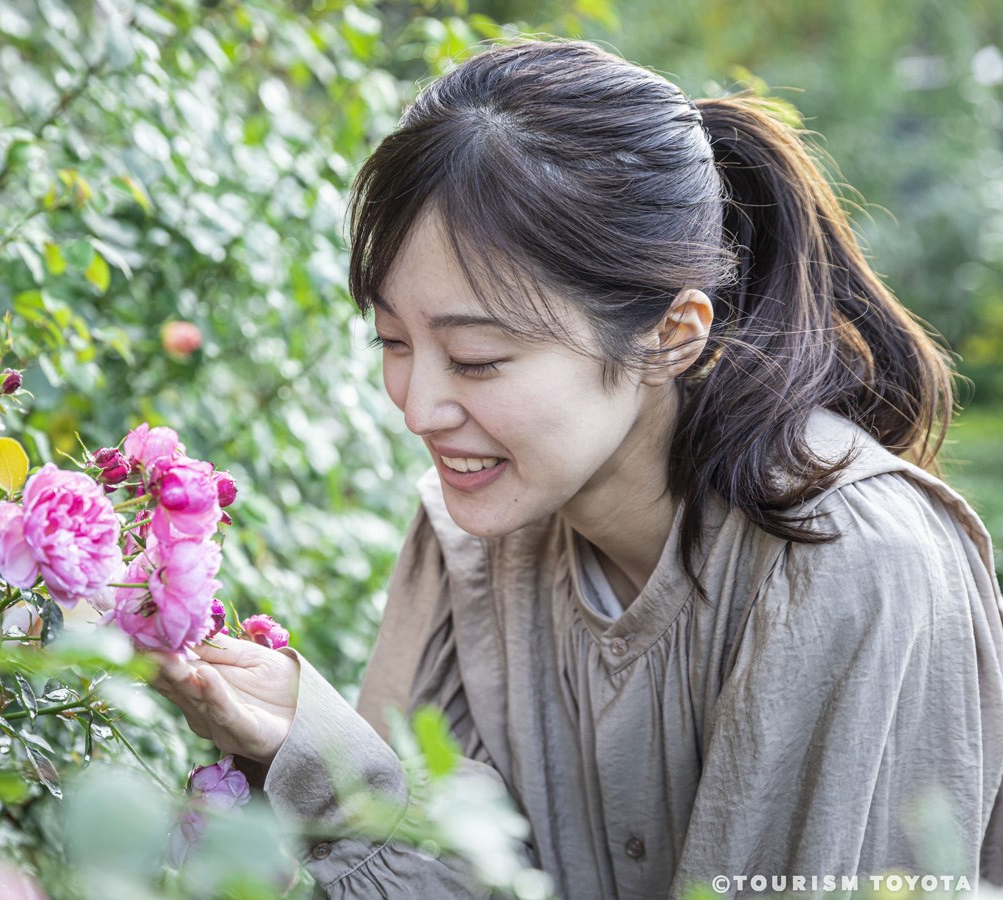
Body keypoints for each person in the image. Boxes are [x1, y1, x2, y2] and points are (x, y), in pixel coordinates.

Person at [153, 39, 1003, 898]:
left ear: (672, 334)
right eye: (394, 343)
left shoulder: (855, 563)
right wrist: (305, 741)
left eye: (478, 358)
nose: (417, 408)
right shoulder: (469, 536)